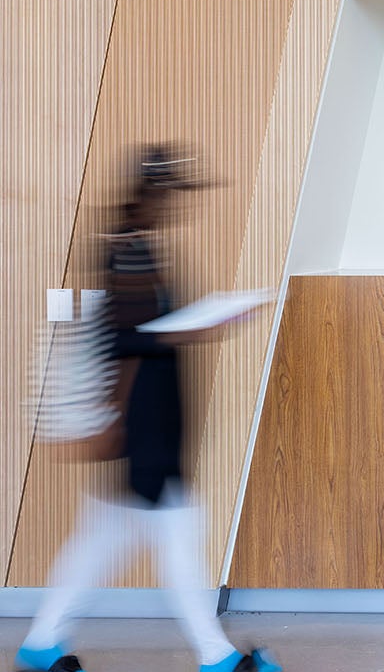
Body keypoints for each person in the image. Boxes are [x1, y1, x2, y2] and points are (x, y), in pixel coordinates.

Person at [16, 145, 280, 672]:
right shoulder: (128, 251)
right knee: (177, 533)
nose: (176, 208)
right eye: (171, 196)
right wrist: (200, 327)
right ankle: (217, 657)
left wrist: (192, 324)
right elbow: (125, 338)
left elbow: (130, 331)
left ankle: (41, 643)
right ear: (150, 195)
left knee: (101, 537)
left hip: (142, 419)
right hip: (145, 421)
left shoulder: (129, 246)